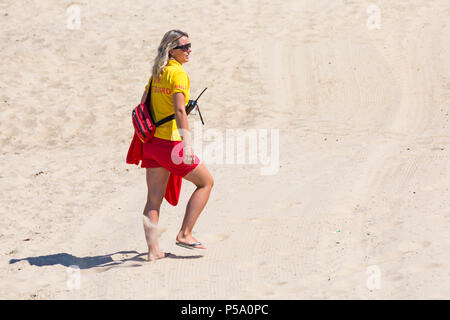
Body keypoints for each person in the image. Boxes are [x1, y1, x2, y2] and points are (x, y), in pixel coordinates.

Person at [140, 30, 214, 261]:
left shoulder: (157, 73)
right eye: (184, 47)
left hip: (152, 143)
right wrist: (188, 144)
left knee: (153, 199)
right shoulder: (179, 75)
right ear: (171, 50)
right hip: (171, 144)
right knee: (206, 183)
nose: (189, 50)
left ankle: (153, 251)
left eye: (190, 45)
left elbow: (143, 105)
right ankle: (185, 233)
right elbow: (180, 111)